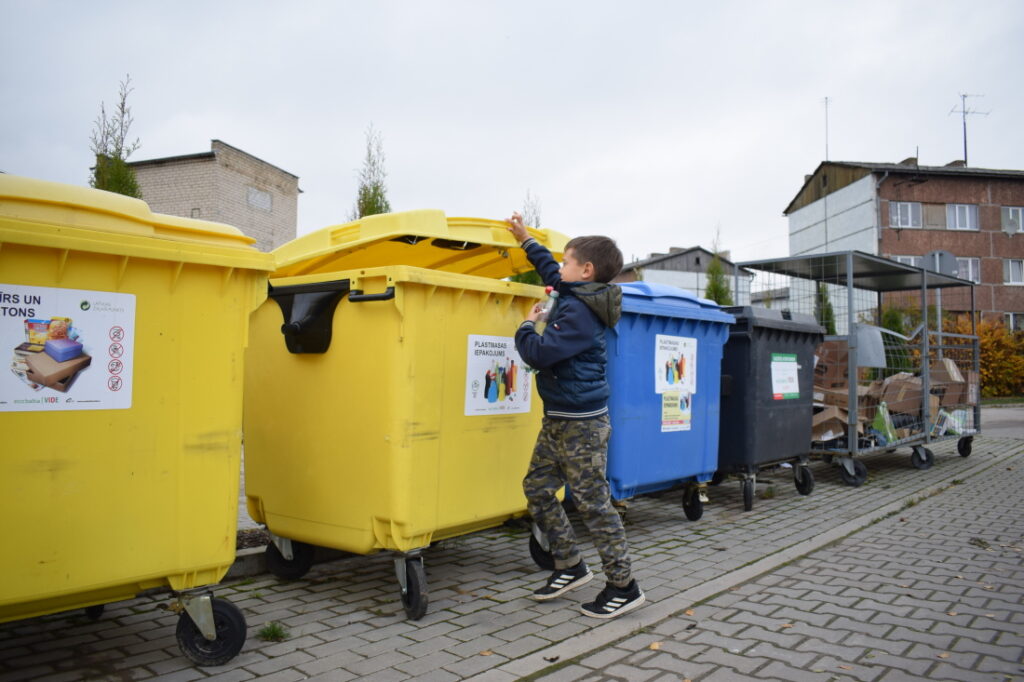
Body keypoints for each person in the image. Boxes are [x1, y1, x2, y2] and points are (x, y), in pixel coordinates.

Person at [506, 211, 645, 619]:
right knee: (537, 488)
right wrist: (525, 239)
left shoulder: (581, 313)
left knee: (592, 502)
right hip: (560, 418)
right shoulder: (574, 291)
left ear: (586, 271)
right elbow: (551, 269)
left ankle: (624, 586)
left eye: (567, 261)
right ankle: (569, 564)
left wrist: (526, 326)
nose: (559, 267)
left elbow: (538, 354)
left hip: (583, 424)